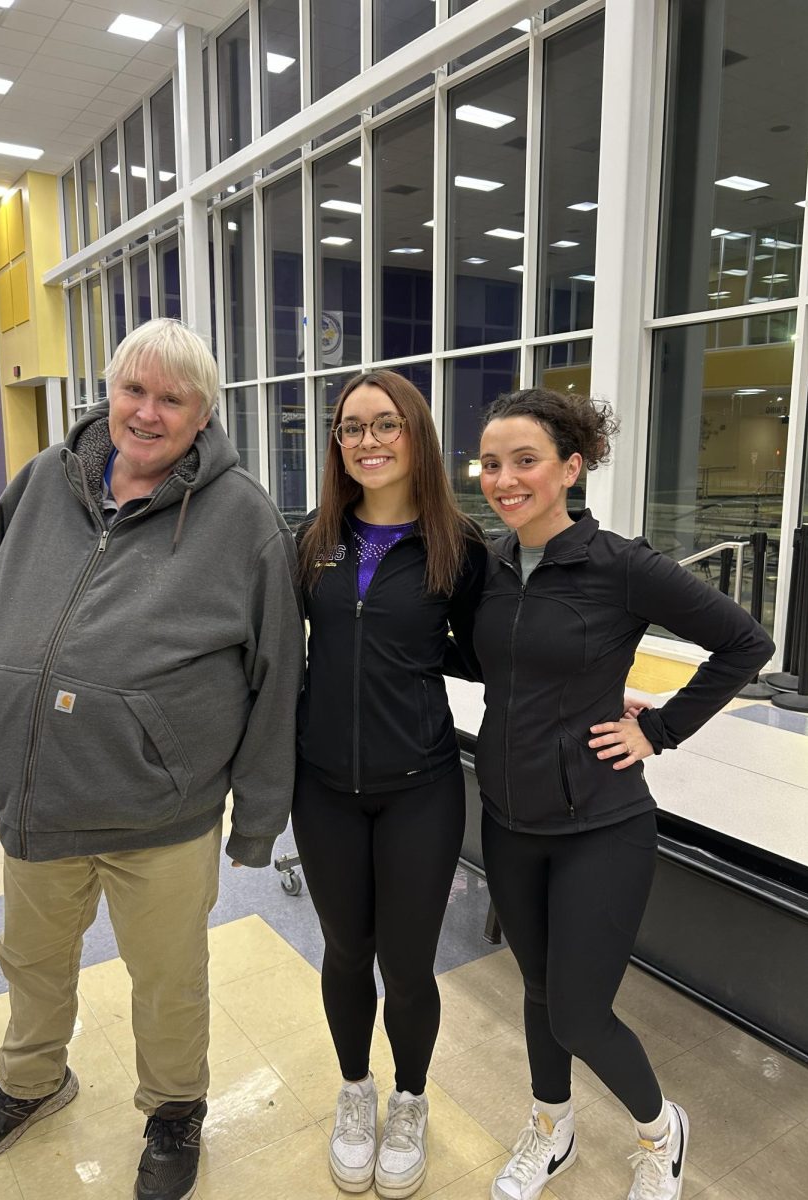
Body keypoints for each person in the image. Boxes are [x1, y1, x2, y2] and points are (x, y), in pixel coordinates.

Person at [0, 318, 305, 1200]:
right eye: (132, 390)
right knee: (29, 961)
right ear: (108, 392)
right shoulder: (38, 484)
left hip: (161, 812)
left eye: (171, 398)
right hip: (39, 796)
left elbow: (276, 676)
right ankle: (32, 1081)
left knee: (169, 981)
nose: (147, 412)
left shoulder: (243, 519)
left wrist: (259, 822)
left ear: (203, 414)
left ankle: (176, 1108)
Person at [472, 388, 773, 1200]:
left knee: (577, 1011)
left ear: (571, 468)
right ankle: (552, 1128)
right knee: (536, 990)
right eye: (492, 462)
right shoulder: (490, 565)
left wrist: (660, 729)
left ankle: (659, 1130)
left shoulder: (621, 564)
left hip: (600, 825)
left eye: (525, 460)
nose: (504, 478)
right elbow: (492, 662)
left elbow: (747, 643)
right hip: (507, 818)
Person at [293, 370, 487, 1198]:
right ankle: (356, 1092)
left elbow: (487, 653)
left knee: (407, 966)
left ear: (417, 435)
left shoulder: (461, 544)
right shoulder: (313, 538)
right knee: (345, 951)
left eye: (385, 425)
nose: (366, 441)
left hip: (421, 787)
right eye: (349, 428)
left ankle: (408, 1100)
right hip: (324, 786)